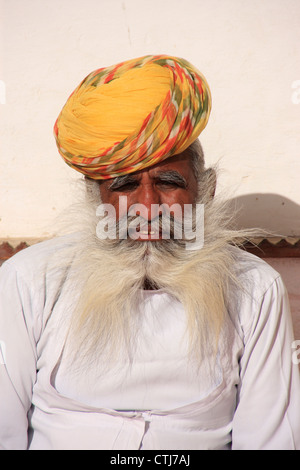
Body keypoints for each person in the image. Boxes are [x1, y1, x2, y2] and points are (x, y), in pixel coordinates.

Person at [0, 55, 299, 450]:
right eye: (124, 185)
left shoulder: (254, 289)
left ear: (204, 191)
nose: (147, 205)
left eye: (168, 182)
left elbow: (270, 440)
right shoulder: (31, 280)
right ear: (96, 199)